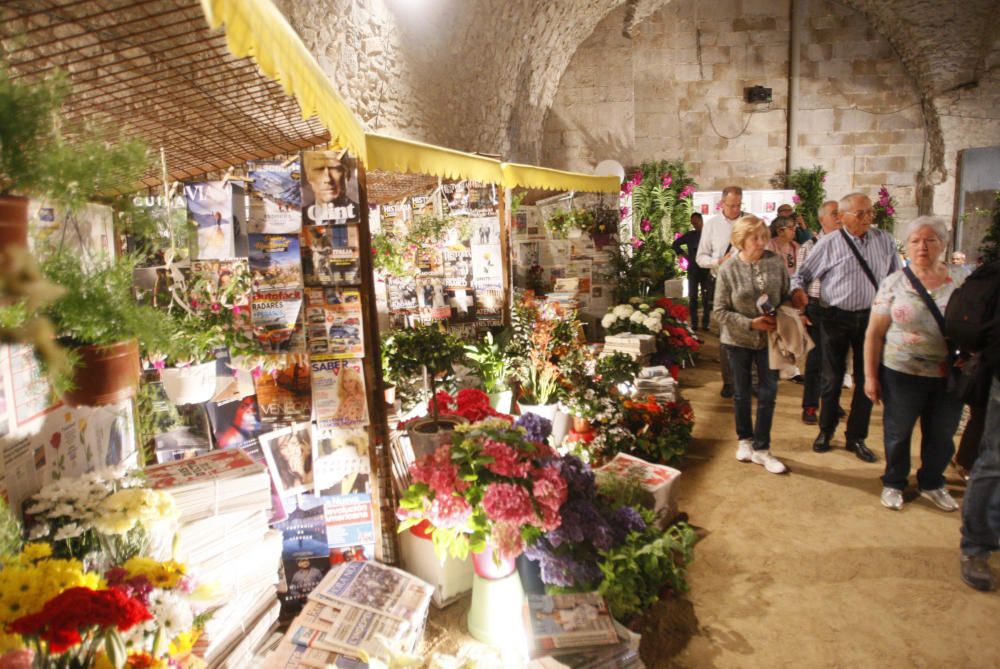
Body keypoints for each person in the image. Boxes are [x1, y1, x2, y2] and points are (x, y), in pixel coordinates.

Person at [863, 216, 965, 511]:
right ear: (906, 247)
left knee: (942, 434)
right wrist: (870, 377)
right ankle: (894, 482)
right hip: (902, 373)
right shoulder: (894, 282)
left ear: (943, 245)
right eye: (915, 241)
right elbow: (874, 334)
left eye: (930, 240)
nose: (923, 247)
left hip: (949, 374)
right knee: (898, 431)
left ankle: (932, 481)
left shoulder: (960, 280)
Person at [792, 192, 902, 462]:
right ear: (842, 217)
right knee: (831, 379)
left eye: (870, 212)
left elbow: (897, 279)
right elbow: (801, 275)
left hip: (872, 320)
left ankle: (856, 437)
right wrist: (799, 296)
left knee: (866, 381)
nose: (868, 218)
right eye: (861, 213)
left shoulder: (884, 241)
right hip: (835, 318)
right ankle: (826, 431)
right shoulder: (829, 243)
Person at [713, 215, 791, 475]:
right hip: (738, 340)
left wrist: (789, 308)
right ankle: (744, 440)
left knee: (769, 393)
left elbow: (786, 296)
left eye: (763, 236)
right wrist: (750, 323)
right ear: (741, 240)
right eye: (755, 238)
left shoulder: (775, 262)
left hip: (770, 340)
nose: (761, 242)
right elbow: (720, 312)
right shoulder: (728, 270)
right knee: (742, 393)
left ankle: (762, 448)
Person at [697, 186, 747, 398]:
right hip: (722, 284)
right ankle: (729, 382)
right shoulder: (712, 225)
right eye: (731, 205)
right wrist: (719, 261)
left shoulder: (749, 222)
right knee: (727, 335)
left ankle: (748, 381)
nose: (735, 209)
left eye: (738, 205)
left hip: (747, 284)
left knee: (749, 332)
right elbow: (700, 258)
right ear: (722, 204)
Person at [796, 201, 842, 425]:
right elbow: (799, 281)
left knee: (837, 359)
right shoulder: (809, 246)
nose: (839, 218)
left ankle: (832, 401)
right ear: (822, 219)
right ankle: (810, 405)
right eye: (834, 214)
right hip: (817, 308)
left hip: (842, 309)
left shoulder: (849, 244)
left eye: (840, 213)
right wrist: (801, 312)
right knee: (815, 359)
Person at [672, 212, 712, 331]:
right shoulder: (690, 235)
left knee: (706, 298)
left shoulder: (709, 234)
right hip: (693, 269)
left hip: (706, 269)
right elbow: (675, 244)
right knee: (693, 297)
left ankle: (706, 323)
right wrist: (685, 255)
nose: (694, 225)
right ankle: (694, 323)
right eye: (692, 223)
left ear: (701, 220)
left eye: (696, 222)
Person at [302, 150, 358, 224]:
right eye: (319, 169)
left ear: (347, 174)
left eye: (335, 169)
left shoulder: (359, 212)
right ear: (308, 176)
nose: (328, 179)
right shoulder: (301, 218)